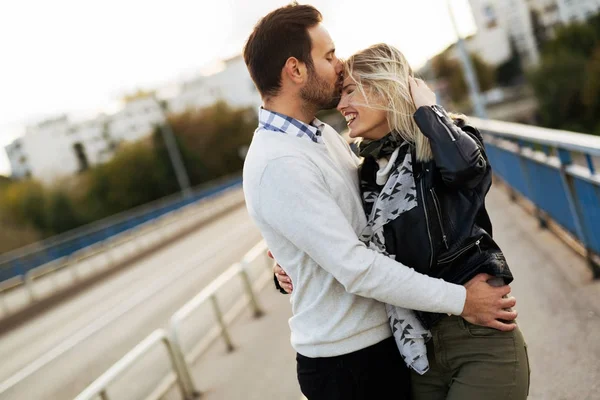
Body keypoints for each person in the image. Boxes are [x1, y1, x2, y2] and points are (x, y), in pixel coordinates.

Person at [242, 4, 517, 400]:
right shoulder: (278, 161)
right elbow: (354, 266)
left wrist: (293, 262)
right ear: (296, 69)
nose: (339, 66)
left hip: (383, 341)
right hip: (346, 361)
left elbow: (363, 216)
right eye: (329, 55)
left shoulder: (320, 137)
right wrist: (463, 301)